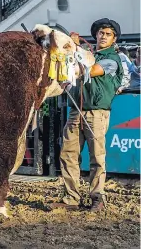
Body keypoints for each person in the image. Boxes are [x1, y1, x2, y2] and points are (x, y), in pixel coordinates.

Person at [53, 18, 124, 212]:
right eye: (101, 33)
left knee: (97, 157)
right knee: (68, 155)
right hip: (77, 111)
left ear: (114, 39)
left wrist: (74, 48)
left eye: (107, 34)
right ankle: (71, 198)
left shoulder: (112, 59)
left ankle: (97, 197)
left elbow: (89, 71)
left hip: (97, 113)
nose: (103, 36)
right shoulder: (91, 55)